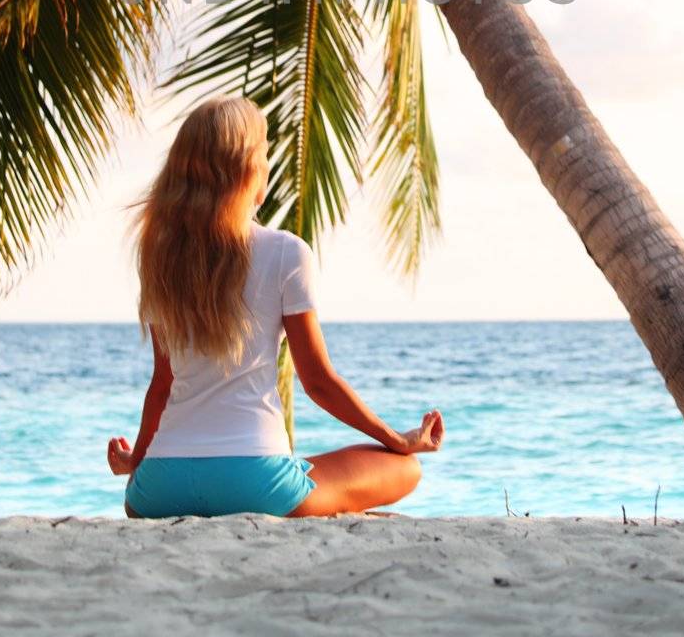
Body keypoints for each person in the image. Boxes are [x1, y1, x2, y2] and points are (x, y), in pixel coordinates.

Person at [107, 96, 444, 517]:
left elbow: (163, 382)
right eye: (264, 152)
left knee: (300, 468)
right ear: (248, 170)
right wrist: (397, 439)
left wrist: (137, 461)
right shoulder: (285, 252)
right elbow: (317, 382)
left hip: (155, 493)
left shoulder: (159, 255)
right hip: (256, 485)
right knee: (404, 469)